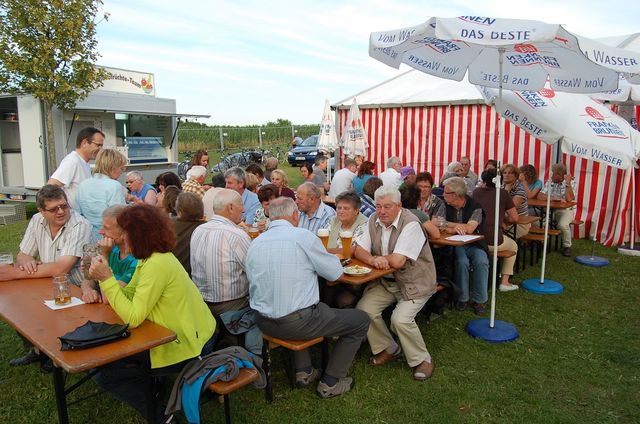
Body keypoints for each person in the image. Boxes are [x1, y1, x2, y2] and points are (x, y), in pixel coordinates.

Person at [88, 204, 216, 422]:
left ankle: (162, 417)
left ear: (138, 235)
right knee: (108, 357)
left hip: (189, 344)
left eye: (125, 232)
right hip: (180, 333)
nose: (122, 238)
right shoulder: (150, 258)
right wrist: (105, 276)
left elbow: (133, 318)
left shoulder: (157, 264)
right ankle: (154, 389)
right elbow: (128, 295)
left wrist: (107, 279)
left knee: (104, 372)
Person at [246, 197, 370, 398]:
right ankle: (331, 382)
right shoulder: (303, 236)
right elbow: (335, 274)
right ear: (295, 215)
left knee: (297, 304)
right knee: (360, 320)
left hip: (262, 321)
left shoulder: (255, 241)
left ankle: (304, 371)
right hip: (297, 322)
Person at [1, 185, 92, 368]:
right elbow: (23, 254)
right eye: (53, 209)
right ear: (41, 211)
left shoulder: (79, 225)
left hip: (77, 286)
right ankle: (38, 350)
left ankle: (53, 355)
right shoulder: (37, 220)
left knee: (39, 305)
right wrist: (28, 262)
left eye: (64, 206)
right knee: (17, 305)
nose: (61, 211)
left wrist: (14, 273)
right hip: (46, 280)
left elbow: (61, 269)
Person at [354, 186, 438, 381]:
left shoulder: (411, 224)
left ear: (399, 206)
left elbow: (398, 261)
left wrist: (378, 258)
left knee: (400, 319)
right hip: (387, 282)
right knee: (364, 309)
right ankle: (389, 348)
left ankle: (422, 359)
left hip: (415, 282)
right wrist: (373, 259)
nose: (382, 211)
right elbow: (358, 250)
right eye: (378, 206)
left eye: (387, 206)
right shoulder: (373, 220)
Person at [191, 189, 251, 318]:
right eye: (241, 205)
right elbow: (254, 271)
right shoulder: (236, 235)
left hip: (200, 304)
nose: (244, 210)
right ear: (230, 207)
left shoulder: (198, 230)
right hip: (233, 306)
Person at [442, 177, 489, 315]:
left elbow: (470, 228)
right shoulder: (444, 205)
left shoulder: (476, 207)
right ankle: (463, 298)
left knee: (481, 260)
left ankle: (480, 300)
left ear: (456, 195)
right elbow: (436, 222)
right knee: (462, 261)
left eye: (446, 193)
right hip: (454, 244)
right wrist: (455, 227)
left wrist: (450, 226)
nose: (443, 195)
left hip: (475, 244)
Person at [80, 205, 138, 304]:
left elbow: (109, 299)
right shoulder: (112, 249)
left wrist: (104, 256)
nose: (101, 232)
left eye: (106, 228)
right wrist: (88, 290)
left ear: (124, 231)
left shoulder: (137, 260)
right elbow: (88, 279)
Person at [473, 169, 520, 291]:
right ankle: (504, 282)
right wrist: (504, 221)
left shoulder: (476, 192)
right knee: (513, 246)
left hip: (475, 239)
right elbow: (515, 218)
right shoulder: (503, 193)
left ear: (483, 180)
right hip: (493, 241)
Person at [76, 148, 128, 240]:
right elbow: (121, 216)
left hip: (88, 236)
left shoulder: (83, 185)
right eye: (121, 168)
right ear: (113, 167)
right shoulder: (114, 186)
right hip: (110, 237)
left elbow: (78, 212)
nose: (121, 172)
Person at [48, 127, 105, 209]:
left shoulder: (84, 162)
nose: (100, 149)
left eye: (101, 146)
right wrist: (63, 209)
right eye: (98, 145)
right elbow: (51, 186)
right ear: (84, 143)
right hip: (73, 214)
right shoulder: (72, 161)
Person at [537, 163, 576, 257]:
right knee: (541, 223)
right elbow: (540, 196)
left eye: (553, 173)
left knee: (562, 225)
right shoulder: (550, 181)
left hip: (566, 210)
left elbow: (569, 199)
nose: (551, 175)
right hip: (550, 209)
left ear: (560, 175)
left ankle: (567, 246)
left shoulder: (571, 183)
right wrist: (554, 198)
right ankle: (544, 243)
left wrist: (567, 183)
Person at [172, 192, 205, 276]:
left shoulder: (168, 225)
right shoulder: (206, 228)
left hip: (172, 275)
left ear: (179, 211)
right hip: (195, 277)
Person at [501, 164, 530, 239]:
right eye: (504, 173)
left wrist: (506, 192)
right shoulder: (501, 187)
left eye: (510, 173)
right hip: (504, 221)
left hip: (519, 224)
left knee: (499, 236)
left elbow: (511, 208)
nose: (506, 175)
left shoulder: (520, 189)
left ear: (516, 176)